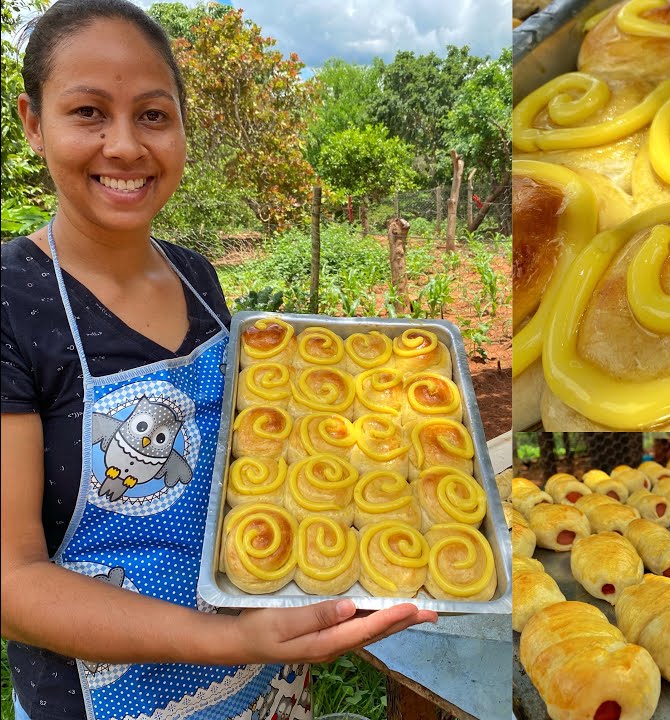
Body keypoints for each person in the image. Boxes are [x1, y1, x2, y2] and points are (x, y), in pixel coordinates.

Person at [0, 2, 436, 719]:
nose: (124, 145)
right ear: (34, 123)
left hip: (263, 676)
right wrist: (226, 641)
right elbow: (11, 585)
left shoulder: (197, 278)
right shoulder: (14, 300)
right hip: (108, 698)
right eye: (87, 112)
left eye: (152, 115)